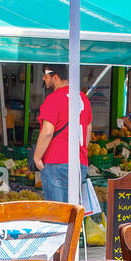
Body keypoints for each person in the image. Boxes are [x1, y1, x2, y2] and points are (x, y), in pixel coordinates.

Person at [32, 65, 91, 204]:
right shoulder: (83, 98)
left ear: (56, 77)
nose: (43, 79)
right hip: (79, 164)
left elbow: (47, 131)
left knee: (58, 215)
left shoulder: (53, 98)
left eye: (46, 77)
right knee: (72, 213)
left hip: (56, 164)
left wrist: (37, 158)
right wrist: (81, 151)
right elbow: (88, 130)